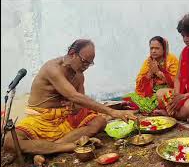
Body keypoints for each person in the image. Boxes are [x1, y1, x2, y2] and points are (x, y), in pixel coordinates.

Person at [3, 39, 137, 155]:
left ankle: (46, 148)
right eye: (84, 62)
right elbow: (74, 96)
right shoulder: (52, 68)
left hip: (64, 119)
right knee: (9, 141)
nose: (86, 67)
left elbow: (80, 102)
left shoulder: (79, 75)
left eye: (89, 64)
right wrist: (113, 112)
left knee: (99, 122)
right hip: (41, 119)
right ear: (72, 53)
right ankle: (66, 146)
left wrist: (76, 108)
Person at [123, 36, 179, 115]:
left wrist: (158, 73)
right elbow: (139, 83)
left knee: (161, 95)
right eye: (151, 48)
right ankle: (155, 108)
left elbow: (177, 81)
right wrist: (150, 73)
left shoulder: (171, 59)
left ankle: (162, 110)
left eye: (157, 48)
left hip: (167, 90)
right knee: (127, 98)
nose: (153, 51)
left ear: (164, 49)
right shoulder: (148, 61)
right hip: (152, 92)